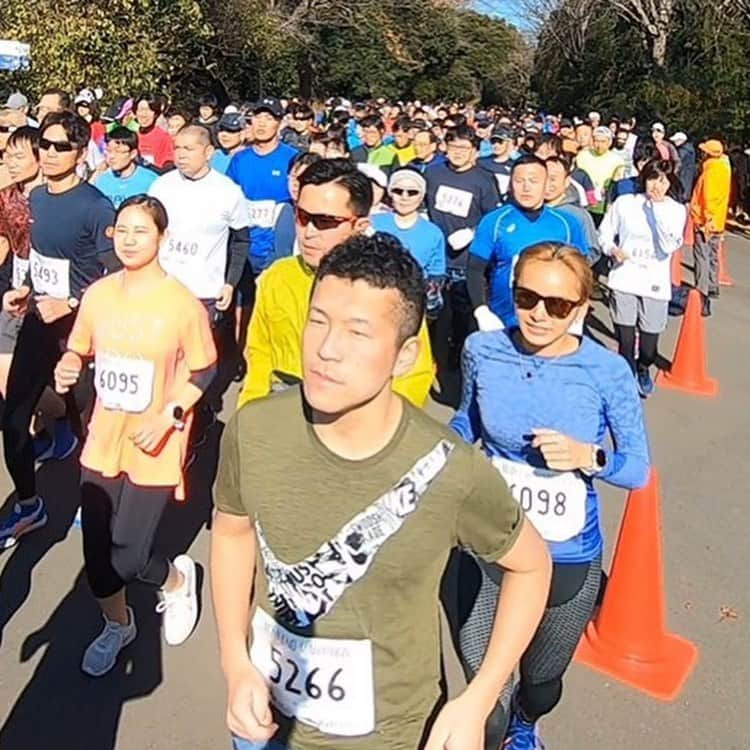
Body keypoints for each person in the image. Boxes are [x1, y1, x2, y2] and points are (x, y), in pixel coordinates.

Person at [211, 232, 552, 750]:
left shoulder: (451, 470)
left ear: (404, 353)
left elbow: (531, 566)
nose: (327, 349)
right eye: (318, 320)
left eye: (358, 332)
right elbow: (233, 535)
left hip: (390, 733)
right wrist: (235, 661)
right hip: (262, 718)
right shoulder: (253, 429)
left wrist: (479, 698)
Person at [449, 241, 649, 750]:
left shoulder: (607, 371)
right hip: (487, 543)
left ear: (581, 308)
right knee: (484, 684)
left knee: (539, 682)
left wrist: (590, 457)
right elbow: (465, 422)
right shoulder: (483, 350)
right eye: (526, 298)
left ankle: (525, 723)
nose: (539, 314)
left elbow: (638, 469)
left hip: (566, 552)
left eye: (557, 305)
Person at [53, 195, 217, 675]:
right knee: (96, 554)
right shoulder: (100, 294)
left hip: (155, 443)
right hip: (104, 437)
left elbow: (204, 369)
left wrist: (168, 414)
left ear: (162, 238)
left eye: (140, 231)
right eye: (121, 230)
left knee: (128, 554)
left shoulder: (181, 304)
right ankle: (118, 624)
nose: (128, 239)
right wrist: (67, 364)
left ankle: (173, 581)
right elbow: (78, 349)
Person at [0, 111, 118, 548]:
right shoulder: (37, 200)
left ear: (80, 151)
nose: (48, 154)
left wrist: (68, 302)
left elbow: (113, 275)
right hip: (37, 322)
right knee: (13, 419)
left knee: (87, 421)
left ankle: (98, 504)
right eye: (44, 146)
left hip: (80, 330)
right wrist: (25, 292)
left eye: (59, 147)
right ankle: (30, 505)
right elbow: (39, 260)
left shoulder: (95, 206)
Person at [236, 158, 434, 409]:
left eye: (325, 221)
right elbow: (258, 355)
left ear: (360, 225)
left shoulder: (389, 287)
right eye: (302, 216)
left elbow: (413, 376)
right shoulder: (277, 277)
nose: (308, 232)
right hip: (282, 417)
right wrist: (249, 417)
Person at [467, 154, 588, 331]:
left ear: (546, 184)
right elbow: (475, 269)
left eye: (533, 181)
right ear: (510, 184)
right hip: (502, 322)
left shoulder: (568, 223)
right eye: (519, 180)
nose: (526, 188)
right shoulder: (494, 221)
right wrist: (481, 310)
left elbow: (580, 273)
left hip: (552, 322)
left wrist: (577, 316)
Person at [424, 125, 500, 404]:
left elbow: (493, 218)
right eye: (453, 146)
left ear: (475, 152)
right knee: (431, 312)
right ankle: (430, 358)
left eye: (464, 148)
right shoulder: (433, 172)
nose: (457, 153)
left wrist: (471, 231)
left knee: (461, 313)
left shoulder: (483, 180)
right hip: (435, 255)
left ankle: (455, 356)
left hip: (464, 260)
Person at [600, 160, 686, 395]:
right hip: (624, 277)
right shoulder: (625, 203)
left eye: (663, 181)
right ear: (643, 179)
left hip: (654, 282)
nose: (657, 186)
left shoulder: (676, 210)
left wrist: (656, 210)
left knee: (648, 346)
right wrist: (612, 249)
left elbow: (670, 245)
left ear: (670, 183)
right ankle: (627, 377)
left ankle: (643, 367)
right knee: (625, 339)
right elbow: (605, 232)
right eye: (652, 179)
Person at [0, 127, 44, 397]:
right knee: (7, 376)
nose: (10, 163)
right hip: (15, 287)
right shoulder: (6, 197)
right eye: (7, 156)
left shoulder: (55, 198)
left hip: (49, 295)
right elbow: (3, 241)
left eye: (18, 156)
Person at [371, 168, 446, 317]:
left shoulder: (433, 233)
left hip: (412, 307)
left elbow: (436, 274)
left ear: (422, 196)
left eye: (412, 192)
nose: (404, 197)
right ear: (390, 193)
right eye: (398, 191)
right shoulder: (373, 224)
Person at [689, 139, 731, 316]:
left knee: (702, 256)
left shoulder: (711, 171)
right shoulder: (724, 167)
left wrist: (706, 220)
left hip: (705, 220)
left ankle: (702, 290)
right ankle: (713, 286)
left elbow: (709, 198)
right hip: (718, 220)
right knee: (713, 254)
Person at [544, 155, 600, 261]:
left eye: (553, 179)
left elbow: (592, 251)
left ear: (567, 181)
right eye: (544, 178)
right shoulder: (531, 210)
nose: (547, 184)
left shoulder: (578, 215)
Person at [271, 152, 322, 261]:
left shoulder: (323, 216)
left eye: (303, 178)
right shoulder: (281, 208)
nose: (296, 183)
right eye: (293, 177)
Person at [93, 126, 158, 208]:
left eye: (118, 151)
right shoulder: (101, 180)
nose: (111, 156)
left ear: (133, 154)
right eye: (109, 151)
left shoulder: (151, 181)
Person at [575, 126, 624, 223]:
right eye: (596, 141)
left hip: (603, 204)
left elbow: (616, 184)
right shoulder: (582, 156)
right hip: (583, 202)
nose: (599, 145)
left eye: (603, 141)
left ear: (609, 142)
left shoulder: (617, 161)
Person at [134, 93, 174, 170]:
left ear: (156, 114)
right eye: (140, 110)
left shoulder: (164, 137)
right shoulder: (131, 136)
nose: (144, 114)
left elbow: (168, 164)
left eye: (149, 110)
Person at [478, 125, 515, 198]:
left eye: (500, 142)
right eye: (493, 142)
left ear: (509, 142)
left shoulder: (514, 166)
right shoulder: (481, 163)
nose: (496, 145)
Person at [670, 132, 696, 202]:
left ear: (681, 140)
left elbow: (677, 162)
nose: (674, 142)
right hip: (688, 177)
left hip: (683, 176)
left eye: (676, 140)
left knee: (681, 195)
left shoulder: (683, 151)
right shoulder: (690, 149)